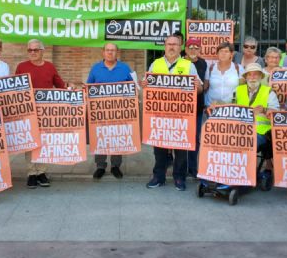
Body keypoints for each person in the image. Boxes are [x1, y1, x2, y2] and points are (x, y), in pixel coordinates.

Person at [142, 34, 203, 191]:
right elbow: (148, 88)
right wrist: (144, 85)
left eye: (175, 44)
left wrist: (197, 86)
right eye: (169, 44)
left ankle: (179, 177)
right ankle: (158, 177)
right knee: (159, 148)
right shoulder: (155, 64)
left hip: (181, 116)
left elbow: (199, 89)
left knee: (181, 149)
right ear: (164, 46)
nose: (171, 47)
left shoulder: (188, 65)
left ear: (180, 47)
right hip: (160, 116)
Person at [15, 39, 73, 189]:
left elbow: (60, 85)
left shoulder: (50, 67)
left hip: (46, 112)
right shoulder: (21, 67)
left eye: (35, 50)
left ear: (42, 51)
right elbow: (15, 89)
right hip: (28, 111)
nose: (32, 53)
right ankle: (31, 173)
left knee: (44, 141)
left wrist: (69, 87)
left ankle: (42, 172)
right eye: (30, 50)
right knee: (31, 142)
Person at [86, 43, 134, 180]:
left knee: (116, 137)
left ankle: (115, 166)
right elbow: (89, 87)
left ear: (117, 52)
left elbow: (132, 87)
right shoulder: (95, 68)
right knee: (101, 138)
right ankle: (100, 166)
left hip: (119, 111)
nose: (110, 53)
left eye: (113, 50)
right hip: (100, 112)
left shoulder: (125, 68)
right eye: (107, 50)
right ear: (103, 52)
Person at [235, 63, 280, 184]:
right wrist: (217, 104)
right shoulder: (238, 90)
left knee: (245, 143)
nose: (253, 77)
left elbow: (276, 114)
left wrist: (265, 110)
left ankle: (246, 173)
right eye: (250, 74)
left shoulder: (269, 92)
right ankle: (232, 172)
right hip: (239, 129)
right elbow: (230, 106)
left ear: (261, 76)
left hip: (260, 131)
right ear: (246, 77)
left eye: (256, 74)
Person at [184, 37, 208, 178]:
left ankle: (192, 168)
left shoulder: (203, 63)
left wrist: (198, 88)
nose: (193, 50)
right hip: (180, 109)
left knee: (195, 139)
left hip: (197, 107)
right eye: (190, 47)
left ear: (200, 50)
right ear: (186, 49)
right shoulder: (180, 62)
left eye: (196, 47)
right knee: (182, 138)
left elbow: (205, 83)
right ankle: (180, 166)